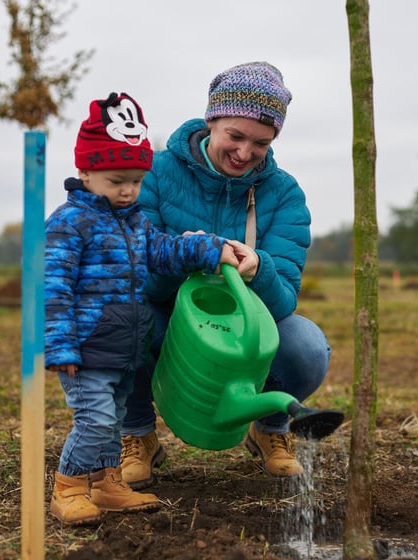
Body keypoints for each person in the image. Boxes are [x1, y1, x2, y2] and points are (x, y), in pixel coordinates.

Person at [44, 92, 255, 525]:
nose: (128, 191)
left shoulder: (135, 221)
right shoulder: (69, 224)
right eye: (116, 179)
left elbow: (162, 251)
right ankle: (68, 487)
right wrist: (60, 346)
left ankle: (107, 485)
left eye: (136, 181)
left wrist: (208, 248)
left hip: (124, 345)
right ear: (85, 172)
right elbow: (53, 289)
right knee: (96, 419)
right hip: (86, 348)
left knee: (116, 417)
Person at [118, 61, 331, 485]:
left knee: (306, 346)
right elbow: (133, 272)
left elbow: (285, 298)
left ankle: (270, 428)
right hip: (166, 317)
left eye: (261, 143)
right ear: (212, 118)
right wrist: (183, 256)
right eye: (235, 136)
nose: (244, 153)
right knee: (122, 322)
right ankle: (137, 433)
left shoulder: (284, 194)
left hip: (243, 327)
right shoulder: (156, 173)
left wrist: (259, 269)